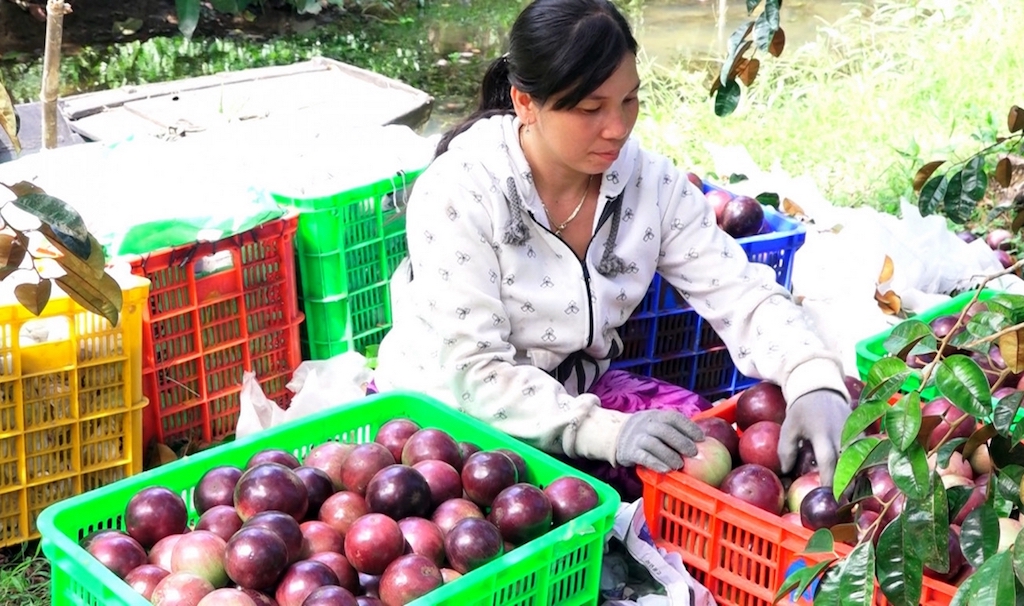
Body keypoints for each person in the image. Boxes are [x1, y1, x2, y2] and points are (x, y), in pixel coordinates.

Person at [372, 0, 851, 500]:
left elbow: (738, 290)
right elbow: (473, 372)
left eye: (629, 100)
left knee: (697, 448)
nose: (618, 127)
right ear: (525, 103)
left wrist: (811, 375)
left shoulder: (649, 186)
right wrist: (608, 433)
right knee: (517, 518)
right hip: (448, 423)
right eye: (590, 109)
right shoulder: (462, 190)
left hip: (576, 399)